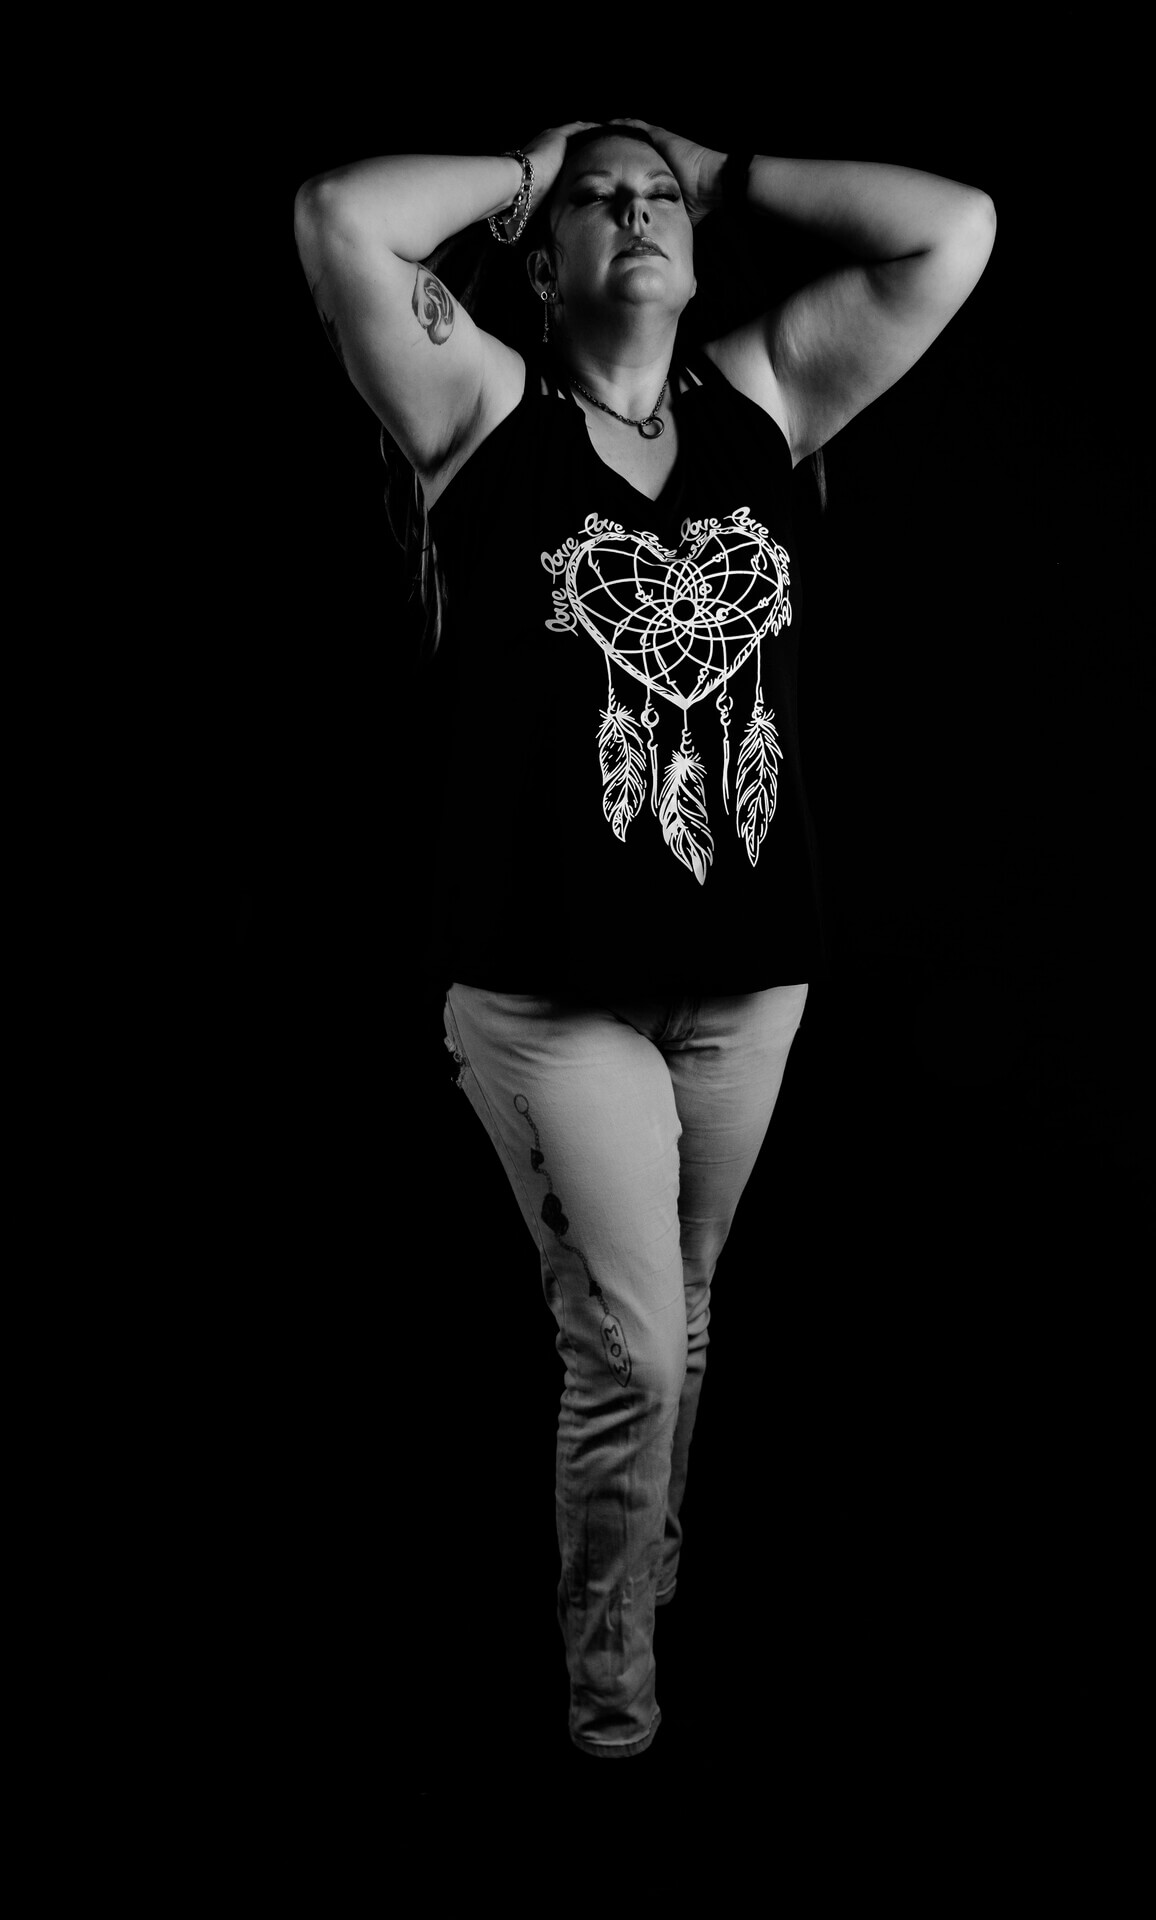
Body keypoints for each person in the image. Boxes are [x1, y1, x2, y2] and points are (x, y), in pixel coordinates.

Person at [293, 120, 996, 1760]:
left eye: (657, 196)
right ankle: (613, 1690)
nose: (636, 211)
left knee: (678, 1306)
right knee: (628, 1346)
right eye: (600, 203)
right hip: (546, 995)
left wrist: (724, 167)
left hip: (750, 979)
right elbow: (342, 216)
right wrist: (531, 166)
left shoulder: (766, 398)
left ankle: (640, 1551)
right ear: (540, 268)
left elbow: (954, 229)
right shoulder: (479, 411)